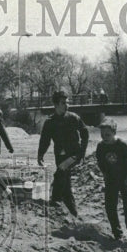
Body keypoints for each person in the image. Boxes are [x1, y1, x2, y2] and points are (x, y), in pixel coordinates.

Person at [37, 90, 89, 220]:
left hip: (74, 154)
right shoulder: (50, 122)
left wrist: (82, 152)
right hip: (59, 155)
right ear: (55, 104)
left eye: (67, 102)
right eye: (63, 103)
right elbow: (44, 140)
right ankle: (73, 213)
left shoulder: (73, 118)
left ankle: (55, 201)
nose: (66, 105)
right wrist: (40, 154)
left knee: (60, 173)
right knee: (66, 186)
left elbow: (85, 133)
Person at [94, 118, 127, 246]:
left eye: (107, 135)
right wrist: (105, 174)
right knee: (110, 207)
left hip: (125, 179)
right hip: (111, 180)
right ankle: (117, 234)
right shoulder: (101, 147)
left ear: (114, 133)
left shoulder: (122, 145)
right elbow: (100, 162)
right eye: (102, 135)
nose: (104, 137)